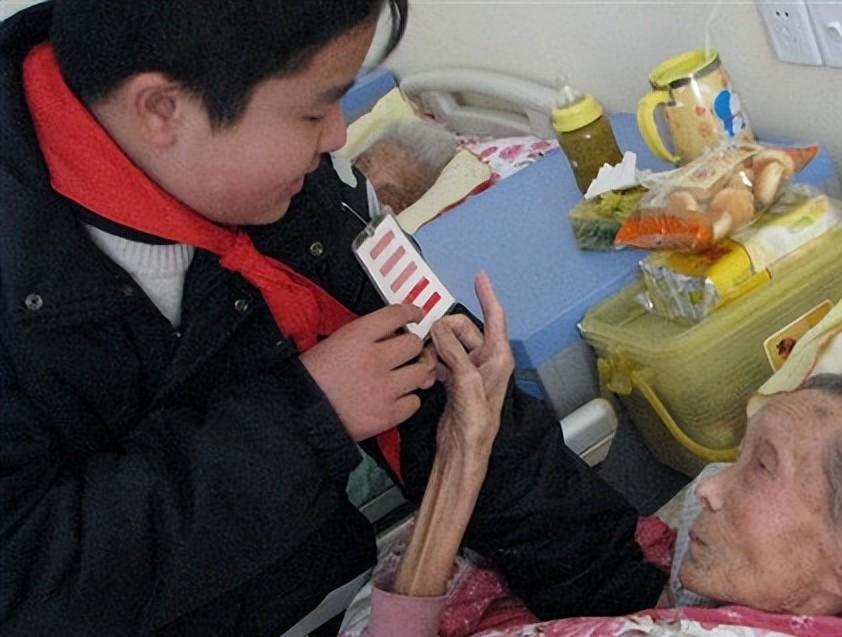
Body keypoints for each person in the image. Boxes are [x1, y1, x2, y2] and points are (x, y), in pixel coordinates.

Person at [0, 2, 664, 634]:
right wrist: (308, 418)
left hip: (328, 586)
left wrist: (630, 601)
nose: (340, 136)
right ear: (162, 109)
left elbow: (460, 409)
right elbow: (29, 579)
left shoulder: (295, 189)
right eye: (314, 111)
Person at [359, 361, 842, 636]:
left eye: (761, 467)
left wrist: (456, 482)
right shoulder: (669, 582)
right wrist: (464, 459)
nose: (707, 487)